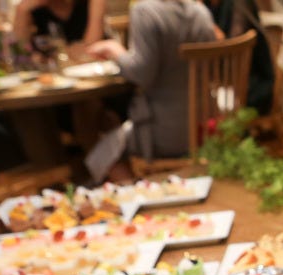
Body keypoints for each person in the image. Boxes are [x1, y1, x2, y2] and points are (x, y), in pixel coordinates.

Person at [84, 0, 217, 177]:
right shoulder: (200, 13)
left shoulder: (145, 11)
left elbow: (141, 73)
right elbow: (214, 70)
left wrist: (114, 50)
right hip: (206, 126)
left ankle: (139, 189)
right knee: (112, 127)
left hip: (162, 133)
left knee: (101, 153)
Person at [202, 0, 272, 114]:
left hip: (250, 87)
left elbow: (232, 47)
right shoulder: (205, 5)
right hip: (220, 85)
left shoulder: (241, 3)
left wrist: (203, 18)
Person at [13, 0, 105, 56]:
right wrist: (22, 10)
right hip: (52, 76)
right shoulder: (32, 7)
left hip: (92, 70)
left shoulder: (91, 2)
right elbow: (20, 54)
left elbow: (91, 48)